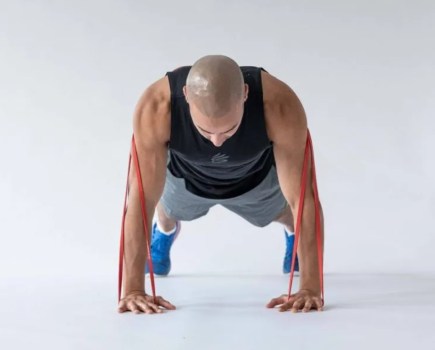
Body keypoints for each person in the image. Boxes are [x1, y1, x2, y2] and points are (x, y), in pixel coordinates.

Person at [117, 55, 324, 315]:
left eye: (228, 130)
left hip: (254, 180)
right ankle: (166, 232)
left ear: (245, 94)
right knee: (164, 210)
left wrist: (310, 289)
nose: (217, 142)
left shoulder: (278, 103)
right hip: (186, 180)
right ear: (186, 96)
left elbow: (304, 198)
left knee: (290, 215)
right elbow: (140, 198)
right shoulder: (156, 106)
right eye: (205, 132)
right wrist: (134, 290)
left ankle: (293, 237)